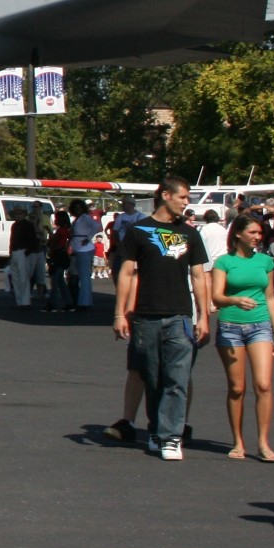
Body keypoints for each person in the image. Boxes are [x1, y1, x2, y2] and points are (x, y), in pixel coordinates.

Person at [112, 177, 210, 462]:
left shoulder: (190, 233)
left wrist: (203, 315)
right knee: (153, 378)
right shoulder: (138, 231)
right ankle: (156, 430)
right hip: (146, 316)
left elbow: (198, 275)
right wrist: (120, 313)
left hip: (180, 315)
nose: (186, 202)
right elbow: (127, 273)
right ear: (165, 196)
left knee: (177, 378)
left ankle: (171, 437)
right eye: (183, 197)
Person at [210, 215, 274, 462]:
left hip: (260, 326)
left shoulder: (265, 262)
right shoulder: (224, 262)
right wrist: (235, 300)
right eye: (252, 232)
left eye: (259, 233)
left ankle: (263, 442)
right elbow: (216, 297)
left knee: (263, 384)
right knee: (237, 388)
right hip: (230, 327)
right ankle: (238, 441)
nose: (257, 237)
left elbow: (270, 297)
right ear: (238, 234)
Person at [68, 200, 102, 309]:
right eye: (75, 208)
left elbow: (97, 226)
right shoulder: (77, 220)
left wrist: (88, 237)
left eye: (80, 207)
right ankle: (80, 301)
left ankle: (85, 302)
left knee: (84, 277)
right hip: (76, 248)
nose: (78, 210)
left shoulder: (85, 218)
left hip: (84, 249)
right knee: (76, 276)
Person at [7, 209, 44, 310]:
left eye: (19, 213)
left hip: (23, 251)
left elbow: (32, 239)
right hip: (16, 251)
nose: (17, 215)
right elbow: (12, 240)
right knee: (16, 278)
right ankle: (20, 301)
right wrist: (10, 253)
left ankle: (25, 301)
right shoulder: (15, 225)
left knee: (23, 277)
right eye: (16, 214)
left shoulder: (27, 225)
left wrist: (27, 251)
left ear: (23, 214)